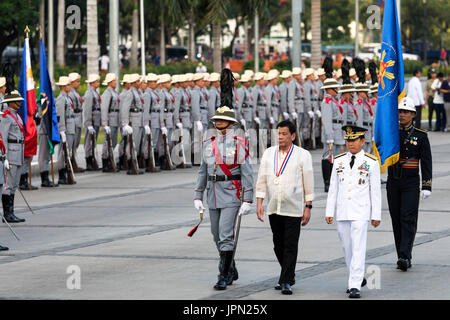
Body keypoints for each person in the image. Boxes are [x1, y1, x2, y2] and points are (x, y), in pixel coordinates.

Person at [194, 106, 254, 291]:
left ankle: (224, 274)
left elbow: (247, 173)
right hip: (212, 194)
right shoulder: (208, 143)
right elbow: (203, 171)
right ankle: (231, 266)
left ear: (230, 123)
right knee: (216, 235)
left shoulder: (239, 143)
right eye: (216, 120)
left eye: (221, 119)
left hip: (230, 193)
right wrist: (198, 195)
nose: (217, 122)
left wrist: (247, 199)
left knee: (225, 235)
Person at [255, 120, 314, 295]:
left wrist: (308, 206)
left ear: (293, 136)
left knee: (290, 244)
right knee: (277, 244)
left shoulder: (303, 155)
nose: (280, 137)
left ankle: (286, 280)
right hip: (274, 206)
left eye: (284, 134)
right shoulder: (268, 153)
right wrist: (259, 201)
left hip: (294, 208)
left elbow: (308, 182)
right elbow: (262, 178)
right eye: (278, 134)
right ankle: (288, 273)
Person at [325, 125, 381, 298]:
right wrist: (329, 211)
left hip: (361, 212)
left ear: (362, 141)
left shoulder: (371, 162)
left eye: (354, 140)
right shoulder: (339, 160)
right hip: (343, 211)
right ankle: (356, 274)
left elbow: (375, 191)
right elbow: (333, 187)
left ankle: (354, 285)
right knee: (347, 247)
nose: (350, 143)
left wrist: (375, 215)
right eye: (348, 140)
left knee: (358, 248)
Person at [387, 97, 432, 272]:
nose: (402, 115)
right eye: (400, 111)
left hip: (411, 181)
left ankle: (405, 255)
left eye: (406, 112)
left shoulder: (420, 135)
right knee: (396, 219)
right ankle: (401, 254)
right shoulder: (391, 132)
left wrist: (426, 185)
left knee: (408, 218)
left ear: (413, 114)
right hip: (393, 180)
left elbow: (426, 162)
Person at [0, 90, 27, 223]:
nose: (20, 103)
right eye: (17, 101)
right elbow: (3, 137)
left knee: (14, 183)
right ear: (10, 102)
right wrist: (4, 156)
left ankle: (11, 212)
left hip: (19, 152)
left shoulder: (17, 116)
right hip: (11, 153)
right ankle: (7, 213)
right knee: (8, 184)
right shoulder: (6, 117)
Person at [55, 76, 76, 185]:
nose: (70, 86)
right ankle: (61, 174)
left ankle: (66, 173)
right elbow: (60, 115)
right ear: (63, 86)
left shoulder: (67, 97)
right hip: (66, 128)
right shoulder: (61, 98)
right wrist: (62, 129)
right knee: (63, 153)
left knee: (67, 152)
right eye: (68, 84)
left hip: (71, 127)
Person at [100, 73, 120, 172]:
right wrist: (105, 123)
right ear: (109, 82)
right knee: (107, 142)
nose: (115, 82)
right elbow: (104, 109)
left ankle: (109, 159)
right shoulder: (107, 93)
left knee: (114, 141)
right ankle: (105, 161)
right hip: (110, 120)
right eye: (114, 81)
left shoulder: (114, 92)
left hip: (115, 120)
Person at [82, 74, 102, 171]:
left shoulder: (94, 92)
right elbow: (87, 109)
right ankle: (88, 161)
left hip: (96, 119)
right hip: (92, 120)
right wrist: (88, 123)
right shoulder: (89, 93)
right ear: (92, 83)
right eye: (97, 81)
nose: (98, 83)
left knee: (93, 141)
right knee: (89, 142)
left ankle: (92, 159)